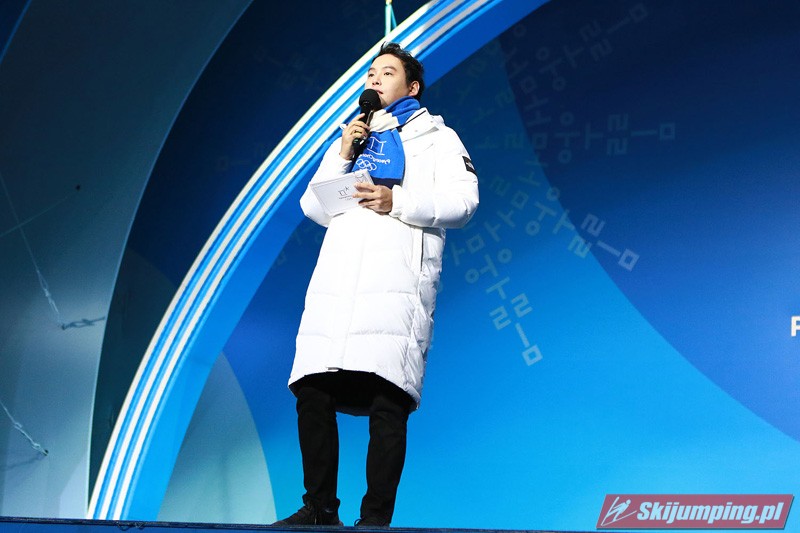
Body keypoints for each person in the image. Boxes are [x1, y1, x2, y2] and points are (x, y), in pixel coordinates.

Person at [274, 42, 479, 528]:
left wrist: (397, 200)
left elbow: (463, 203)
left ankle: (374, 522)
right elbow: (315, 208)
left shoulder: (437, 137)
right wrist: (343, 152)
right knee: (312, 389)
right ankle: (320, 509)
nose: (374, 79)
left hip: (396, 285)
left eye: (386, 72)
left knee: (388, 399)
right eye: (369, 73)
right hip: (339, 283)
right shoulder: (355, 137)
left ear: (412, 86)